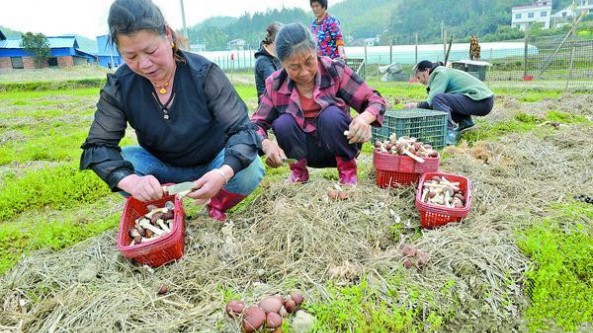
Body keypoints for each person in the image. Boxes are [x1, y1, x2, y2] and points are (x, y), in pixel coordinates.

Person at [79, 0, 264, 221]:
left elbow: (242, 130)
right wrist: (133, 183)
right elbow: (99, 147)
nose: (145, 64)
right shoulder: (120, 86)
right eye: (131, 56)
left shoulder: (204, 74)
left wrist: (222, 173)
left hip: (214, 159)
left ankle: (216, 203)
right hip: (161, 166)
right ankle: (164, 206)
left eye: (151, 51)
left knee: (249, 168)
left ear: (167, 35)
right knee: (126, 161)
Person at [251, 22, 386, 185]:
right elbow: (256, 124)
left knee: (330, 115)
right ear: (283, 64)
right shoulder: (275, 84)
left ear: (315, 52)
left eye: (309, 61)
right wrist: (266, 144)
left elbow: (374, 100)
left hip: (339, 145)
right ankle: (298, 173)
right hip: (302, 152)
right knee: (283, 123)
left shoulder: (334, 70)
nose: (304, 72)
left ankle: (348, 173)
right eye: (294, 67)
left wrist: (365, 118)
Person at [405, 60, 494, 145]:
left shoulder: (440, 73)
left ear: (427, 70)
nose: (419, 81)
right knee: (444, 100)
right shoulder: (441, 72)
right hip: (481, 100)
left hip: (482, 100)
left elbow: (431, 102)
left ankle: (449, 135)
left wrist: (416, 105)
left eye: (419, 77)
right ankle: (465, 122)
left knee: (439, 99)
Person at [254, 22, 283, 103]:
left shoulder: (278, 57)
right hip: (268, 109)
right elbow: (275, 84)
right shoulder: (263, 61)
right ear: (275, 41)